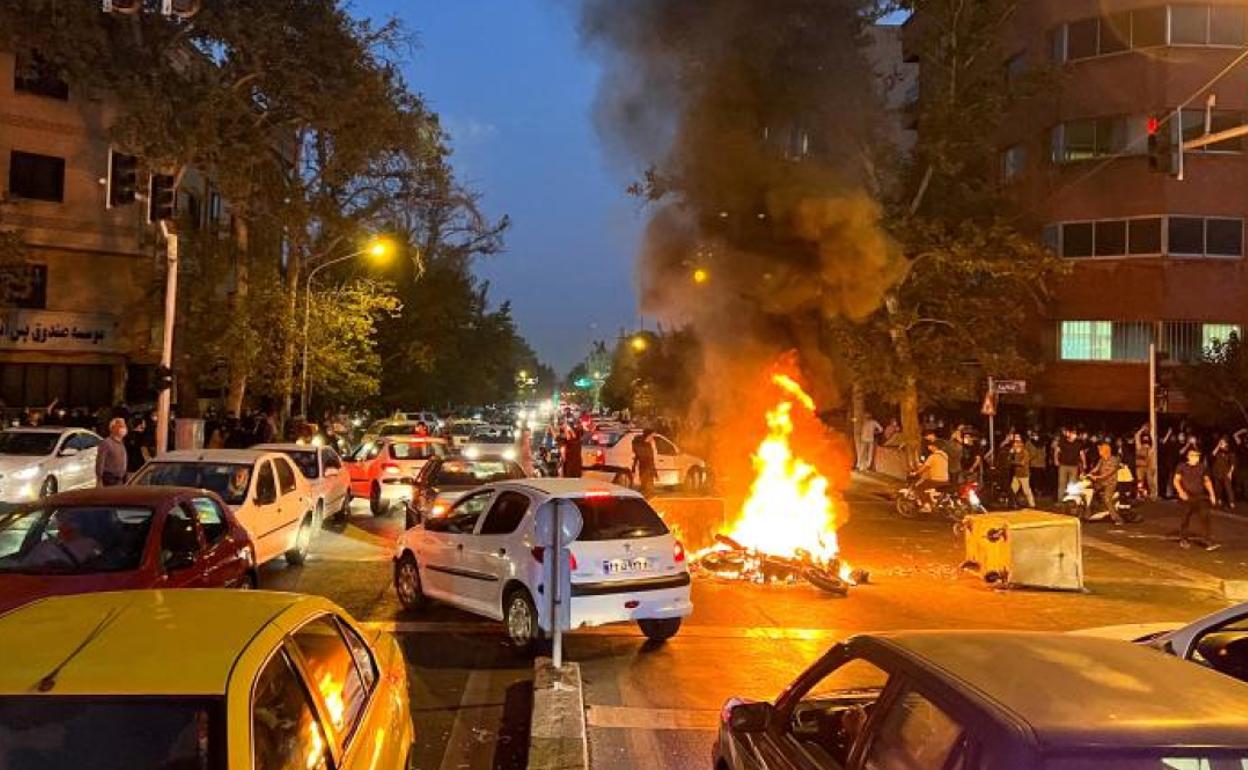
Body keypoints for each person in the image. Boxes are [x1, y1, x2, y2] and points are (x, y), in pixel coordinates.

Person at [1175, 447, 1219, 550]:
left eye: (1197, 456)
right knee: (1185, 519)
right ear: (1188, 457)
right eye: (1193, 456)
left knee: (1205, 518)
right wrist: (1181, 492)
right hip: (1187, 496)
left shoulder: (1202, 467)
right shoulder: (1182, 466)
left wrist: (1212, 494)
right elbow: (1176, 480)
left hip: (1200, 496)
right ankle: (1184, 539)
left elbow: (1207, 481)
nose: (1196, 458)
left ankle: (1208, 542)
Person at [1087, 442, 1124, 525]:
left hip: (1110, 484)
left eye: (1100, 450)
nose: (1099, 451)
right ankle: (1089, 515)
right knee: (1089, 493)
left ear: (1105, 450)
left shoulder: (1114, 460)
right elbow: (1096, 469)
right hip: (1101, 483)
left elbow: (1109, 473)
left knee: (1107, 499)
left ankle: (1117, 518)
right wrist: (1088, 474)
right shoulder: (1101, 460)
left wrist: (1097, 477)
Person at [913, 436, 950, 508]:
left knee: (918, 488)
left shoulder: (932, 457)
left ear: (935, 447)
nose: (931, 447)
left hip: (935, 480)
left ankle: (926, 505)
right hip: (945, 480)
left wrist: (915, 473)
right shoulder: (945, 455)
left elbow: (924, 468)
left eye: (933, 446)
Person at [95, 417, 128, 487]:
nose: (124, 429)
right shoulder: (106, 443)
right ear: (113, 428)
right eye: (121, 426)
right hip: (109, 480)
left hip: (120, 479)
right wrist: (99, 480)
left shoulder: (121, 443)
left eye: (124, 426)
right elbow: (100, 462)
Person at [1055, 428, 1082, 503]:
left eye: (1075, 434)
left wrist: (1084, 463)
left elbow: (1081, 454)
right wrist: (1056, 460)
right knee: (1062, 483)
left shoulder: (1078, 444)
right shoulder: (1062, 442)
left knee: (1072, 484)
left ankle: (1071, 500)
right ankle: (1060, 500)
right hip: (1063, 465)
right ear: (1069, 434)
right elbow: (1057, 451)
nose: (1074, 435)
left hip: (1074, 466)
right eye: (1073, 433)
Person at [1007, 437, 1036, 508]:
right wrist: (1010, 454)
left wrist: (1013, 462)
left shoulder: (1024, 452)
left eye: (1016, 445)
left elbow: (1022, 463)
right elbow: (1008, 460)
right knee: (1013, 489)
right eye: (1014, 446)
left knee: (1026, 490)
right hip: (1016, 475)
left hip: (1024, 475)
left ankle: (1032, 504)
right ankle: (1011, 503)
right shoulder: (1015, 453)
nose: (1014, 447)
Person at [631, 429, 658, 497]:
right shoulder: (640, 445)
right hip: (645, 470)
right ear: (648, 436)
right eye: (652, 436)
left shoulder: (648, 445)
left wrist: (655, 473)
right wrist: (633, 469)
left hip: (648, 470)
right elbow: (636, 457)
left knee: (647, 489)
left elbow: (651, 460)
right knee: (646, 489)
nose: (652, 439)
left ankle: (645, 499)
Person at [1212, 437, 1236, 511]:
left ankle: (1231, 502)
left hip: (1225, 472)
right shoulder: (1218, 450)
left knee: (1228, 488)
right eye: (1220, 442)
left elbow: (1232, 464)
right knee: (1218, 487)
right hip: (1217, 471)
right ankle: (1218, 500)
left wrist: (1230, 473)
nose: (1221, 443)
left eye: (1223, 442)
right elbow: (1213, 454)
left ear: (1226, 443)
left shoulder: (1230, 452)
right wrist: (1218, 446)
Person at [1134, 426, 1156, 501]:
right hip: (1140, 467)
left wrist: (1153, 467)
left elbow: (1152, 458)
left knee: (1151, 482)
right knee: (1140, 481)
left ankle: (1153, 495)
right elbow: (1137, 436)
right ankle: (1140, 495)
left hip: (1148, 467)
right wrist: (1142, 429)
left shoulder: (1150, 450)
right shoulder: (1139, 447)